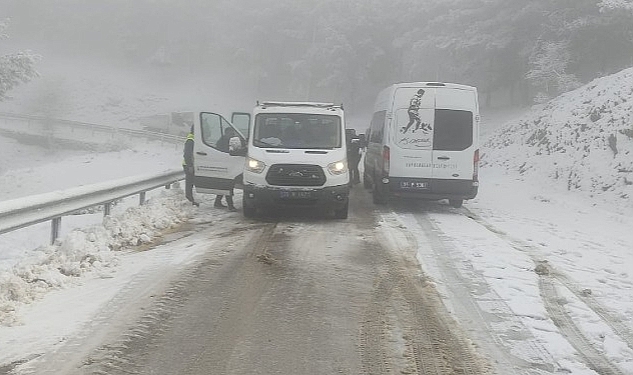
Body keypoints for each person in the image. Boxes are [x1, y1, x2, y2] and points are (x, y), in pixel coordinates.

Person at [214, 128, 237, 211]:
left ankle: (217, 202)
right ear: (226, 133)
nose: (232, 134)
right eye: (231, 133)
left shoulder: (231, 141)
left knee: (224, 186)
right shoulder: (222, 142)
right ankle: (230, 206)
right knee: (228, 186)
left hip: (230, 165)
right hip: (224, 165)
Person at [182, 126, 199, 207]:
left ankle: (190, 199)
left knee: (191, 182)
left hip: (190, 164)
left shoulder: (193, 139)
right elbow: (187, 155)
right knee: (189, 183)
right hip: (188, 165)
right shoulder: (190, 140)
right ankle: (189, 199)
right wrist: (190, 166)